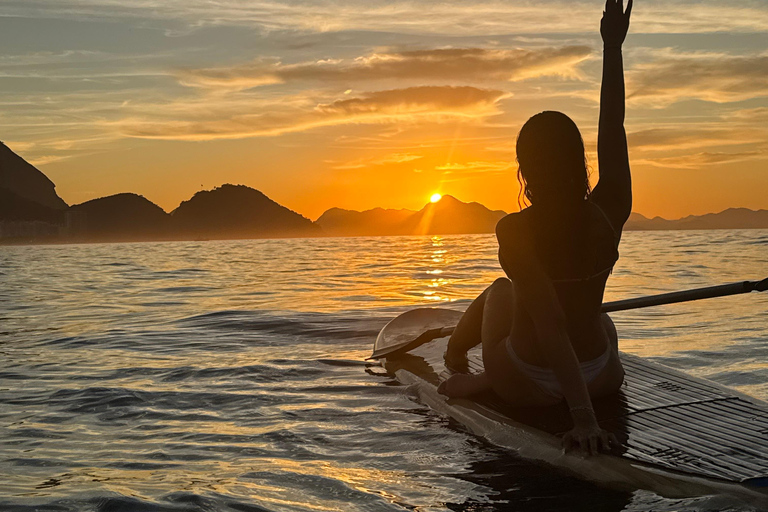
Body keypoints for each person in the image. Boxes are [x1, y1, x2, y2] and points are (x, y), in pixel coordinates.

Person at [437, 0, 633, 456]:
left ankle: (454, 354)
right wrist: (612, 47)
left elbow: (551, 324)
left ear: (524, 171)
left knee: (502, 291)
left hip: (526, 382)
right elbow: (614, 125)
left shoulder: (515, 230)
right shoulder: (611, 208)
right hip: (602, 374)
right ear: (580, 161)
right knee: (599, 319)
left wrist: (583, 420)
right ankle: (469, 361)